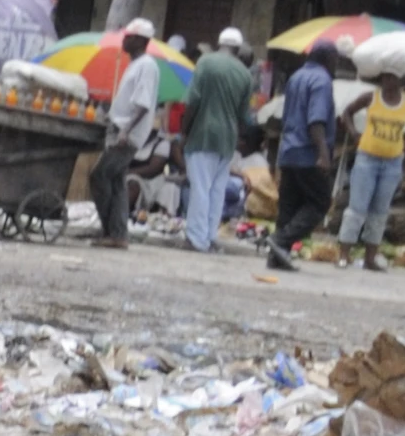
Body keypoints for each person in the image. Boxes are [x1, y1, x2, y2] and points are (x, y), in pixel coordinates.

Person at [263, 37, 341, 270]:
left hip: (289, 149)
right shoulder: (322, 80)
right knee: (320, 202)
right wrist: (323, 154)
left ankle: (277, 257)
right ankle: (280, 241)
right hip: (309, 153)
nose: (336, 64)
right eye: (335, 59)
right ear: (327, 58)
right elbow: (316, 120)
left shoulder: (296, 76)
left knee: (289, 205)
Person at [182, 27, 256, 254]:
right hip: (228, 139)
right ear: (238, 48)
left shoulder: (205, 62)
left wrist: (184, 131)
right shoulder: (245, 74)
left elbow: (192, 100)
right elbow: (244, 116)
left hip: (203, 134)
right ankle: (209, 236)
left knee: (200, 188)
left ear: (219, 42)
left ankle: (196, 239)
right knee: (217, 190)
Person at [95, 22, 165, 250]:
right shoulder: (135, 64)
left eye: (129, 37)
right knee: (117, 181)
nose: (124, 40)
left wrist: (126, 129)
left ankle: (111, 230)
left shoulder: (146, 65)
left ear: (141, 41)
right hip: (121, 127)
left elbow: (142, 104)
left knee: (100, 176)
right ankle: (117, 234)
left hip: (128, 133)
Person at [339, 71, 405, 267]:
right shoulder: (371, 97)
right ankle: (344, 255)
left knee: (380, 211)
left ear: (401, 80)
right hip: (367, 158)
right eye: (386, 77)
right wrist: (354, 133)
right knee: (357, 208)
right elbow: (347, 113)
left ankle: (370, 258)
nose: (389, 81)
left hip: (392, 162)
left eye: (394, 77)